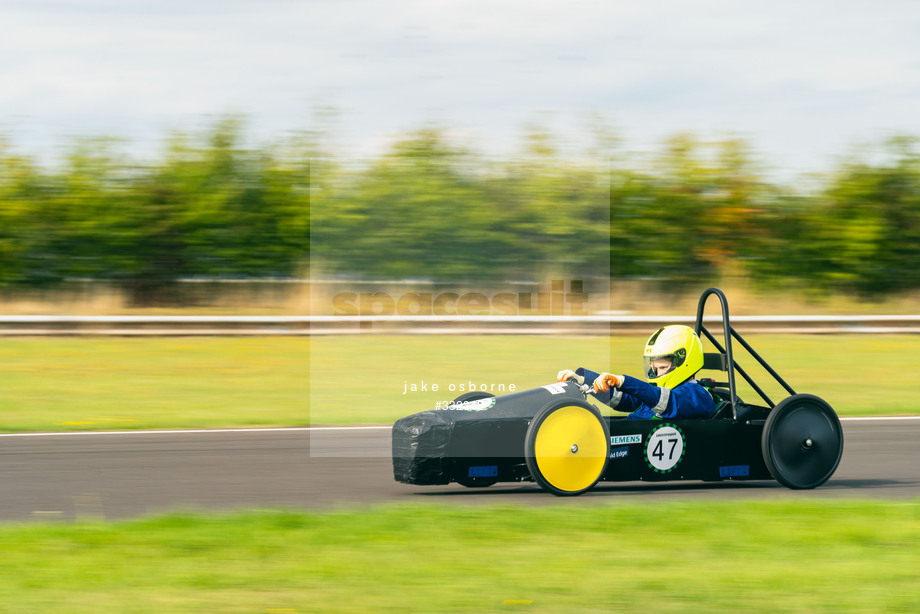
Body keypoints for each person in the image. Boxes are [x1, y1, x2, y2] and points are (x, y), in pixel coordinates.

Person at [557, 325, 716, 420]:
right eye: (654, 368)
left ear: (684, 363)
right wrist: (583, 380)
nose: (657, 374)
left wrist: (623, 381)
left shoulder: (697, 395)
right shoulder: (660, 393)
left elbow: (666, 402)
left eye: (662, 367)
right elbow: (624, 400)